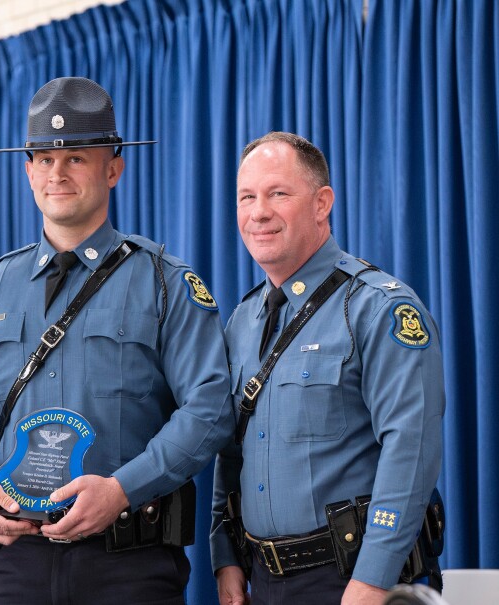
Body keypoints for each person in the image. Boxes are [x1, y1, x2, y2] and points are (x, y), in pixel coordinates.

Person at [0, 76, 235, 604]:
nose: (57, 173)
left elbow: (211, 408)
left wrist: (123, 489)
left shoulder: (164, 283)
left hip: (129, 567)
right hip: (16, 567)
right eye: (43, 158)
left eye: (77, 157)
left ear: (114, 167)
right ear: (27, 170)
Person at [210, 132, 445, 605]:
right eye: (247, 197)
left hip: (352, 579)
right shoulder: (242, 320)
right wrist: (225, 553)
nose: (259, 212)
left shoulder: (378, 309)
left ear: (322, 203)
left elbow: (411, 450)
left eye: (278, 193)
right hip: (264, 578)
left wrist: (373, 580)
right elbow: (230, 446)